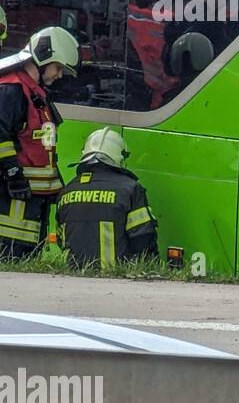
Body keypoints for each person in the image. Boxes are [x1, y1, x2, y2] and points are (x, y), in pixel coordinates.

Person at [0, 26, 80, 260]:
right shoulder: (11, 90)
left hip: (29, 205)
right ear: (45, 58)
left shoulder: (34, 93)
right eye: (58, 68)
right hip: (11, 208)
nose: (59, 75)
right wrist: (13, 173)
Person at [56, 128, 159, 267]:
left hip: (72, 278)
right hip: (115, 280)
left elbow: (61, 238)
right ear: (119, 156)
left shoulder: (67, 191)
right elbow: (144, 237)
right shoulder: (130, 189)